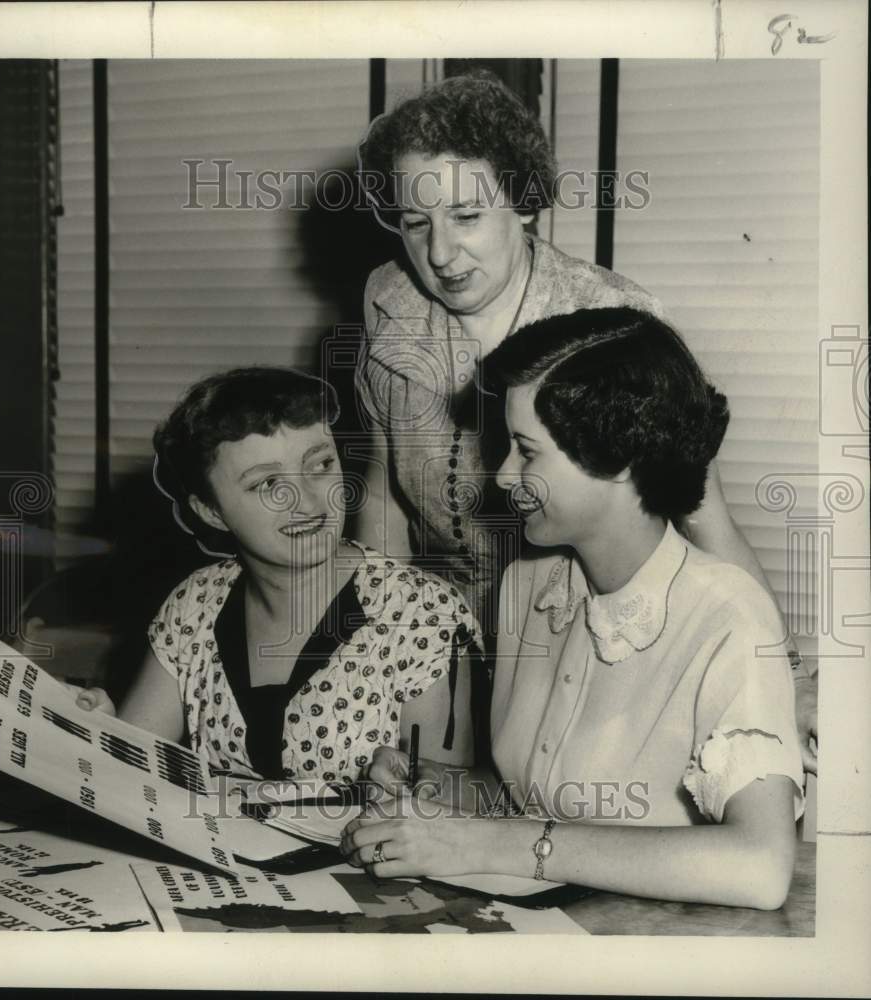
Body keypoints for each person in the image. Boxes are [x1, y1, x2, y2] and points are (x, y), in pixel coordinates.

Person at [353, 70, 817, 769]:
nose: (439, 254)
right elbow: (385, 493)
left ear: (526, 202)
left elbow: (698, 512)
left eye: (467, 217)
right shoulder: (390, 301)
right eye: (415, 223)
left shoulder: (612, 325)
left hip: (574, 655)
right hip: (433, 651)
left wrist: (775, 679)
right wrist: (373, 649)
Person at [341, 308, 804, 910]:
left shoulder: (728, 615)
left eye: (527, 452)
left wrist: (491, 845)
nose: (503, 476)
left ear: (616, 460)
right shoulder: (527, 586)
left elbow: (761, 867)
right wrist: (442, 789)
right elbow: (536, 800)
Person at [76, 367, 479, 784]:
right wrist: (101, 733)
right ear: (210, 511)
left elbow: (447, 805)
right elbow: (127, 778)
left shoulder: (422, 613)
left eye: (320, 464)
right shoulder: (193, 605)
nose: (306, 501)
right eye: (268, 483)